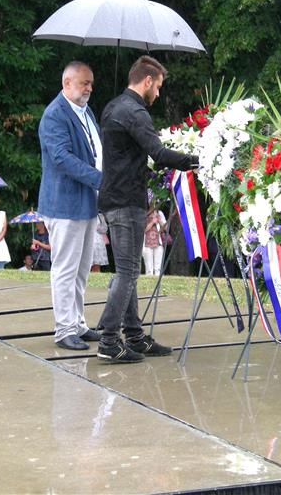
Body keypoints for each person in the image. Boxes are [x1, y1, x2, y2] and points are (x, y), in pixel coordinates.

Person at [97, 55, 199, 363]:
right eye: (159, 87)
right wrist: (195, 159)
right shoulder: (136, 112)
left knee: (126, 271)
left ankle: (135, 335)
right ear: (148, 81)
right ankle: (110, 341)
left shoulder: (113, 106)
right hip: (126, 201)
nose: (159, 94)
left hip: (115, 197)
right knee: (128, 272)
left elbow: (130, 157)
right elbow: (158, 153)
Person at [38, 61, 103, 351]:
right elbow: (62, 159)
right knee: (65, 269)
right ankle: (64, 329)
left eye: (90, 82)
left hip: (87, 203)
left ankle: (77, 323)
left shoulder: (85, 112)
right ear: (66, 83)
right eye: (83, 82)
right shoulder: (54, 115)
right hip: (63, 204)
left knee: (81, 270)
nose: (88, 87)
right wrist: (101, 179)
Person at [142, 205, 167, 276]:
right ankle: (149, 285)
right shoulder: (144, 213)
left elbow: (166, 228)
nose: (153, 204)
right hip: (146, 244)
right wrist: (152, 222)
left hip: (158, 243)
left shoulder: (160, 213)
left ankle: (158, 284)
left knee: (158, 268)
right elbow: (142, 230)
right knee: (149, 268)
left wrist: (159, 220)